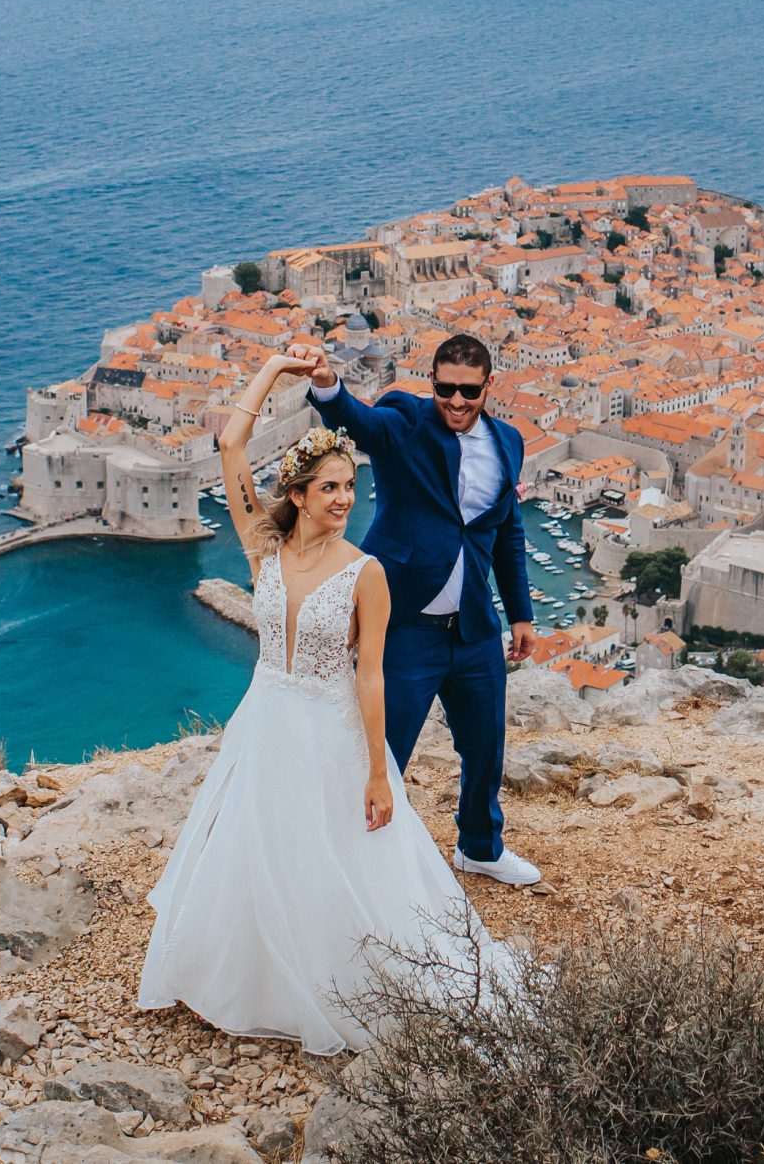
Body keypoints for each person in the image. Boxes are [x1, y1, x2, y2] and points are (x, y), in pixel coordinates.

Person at [136, 352, 493, 1054]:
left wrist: (375, 773)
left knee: (335, 861)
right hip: (264, 723)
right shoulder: (262, 549)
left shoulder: (368, 573)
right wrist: (270, 367)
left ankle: (336, 984)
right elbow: (231, 445)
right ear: (298, 494)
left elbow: (371, 678)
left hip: (330, 735)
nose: (344, 501)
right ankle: (248, 979)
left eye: (351, 488)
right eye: (329, 488)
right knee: (256, 847)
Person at [290, 334, 542, 887]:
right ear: (433, 382)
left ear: (487, 386)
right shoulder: (405, 420)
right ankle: (355, 864)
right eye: (445, 388)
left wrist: (520, 614)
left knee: (485, 749)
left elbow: (506, 534)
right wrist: (327, 385)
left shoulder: (509, 441)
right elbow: (359, 421)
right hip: (404, 623)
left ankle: (479, 847)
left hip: (474, 624)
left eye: (468, 391)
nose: (456, 401)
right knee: (381, 751)